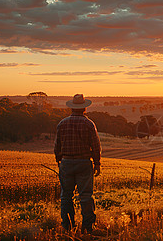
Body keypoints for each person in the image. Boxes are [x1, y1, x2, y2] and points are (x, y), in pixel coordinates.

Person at [54, 94, 101, 233]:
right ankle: (87, 227)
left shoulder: (62, 123)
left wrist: (59, 161)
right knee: (86, 195)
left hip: (66, 162)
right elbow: (96, 146)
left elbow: (57, 146)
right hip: (84, 162)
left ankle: (68, 226)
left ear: (72, 108)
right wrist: (97, 163)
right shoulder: (89, 124)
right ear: (84, 108)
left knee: (66, 195)